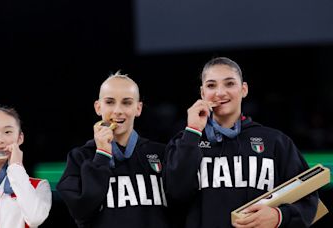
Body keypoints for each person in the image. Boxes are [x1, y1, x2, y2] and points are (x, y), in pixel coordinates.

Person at [163, 57, 318, 228]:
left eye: (229, 84)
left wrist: (280, 216)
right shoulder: (185, 141)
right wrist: (192, 131)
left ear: (244, 89)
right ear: (202, 93)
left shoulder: (275, 142)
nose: (220, 92)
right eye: (211, 85)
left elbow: (308, 197)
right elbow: (175, 195)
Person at [56, 71, 173, 228]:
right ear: (98, 107)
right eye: (110, 102)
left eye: (127, 102)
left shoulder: (162, 153)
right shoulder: (80, 157)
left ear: (138, 109)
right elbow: (81, 213)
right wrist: (102, 154)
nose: (118, 110)